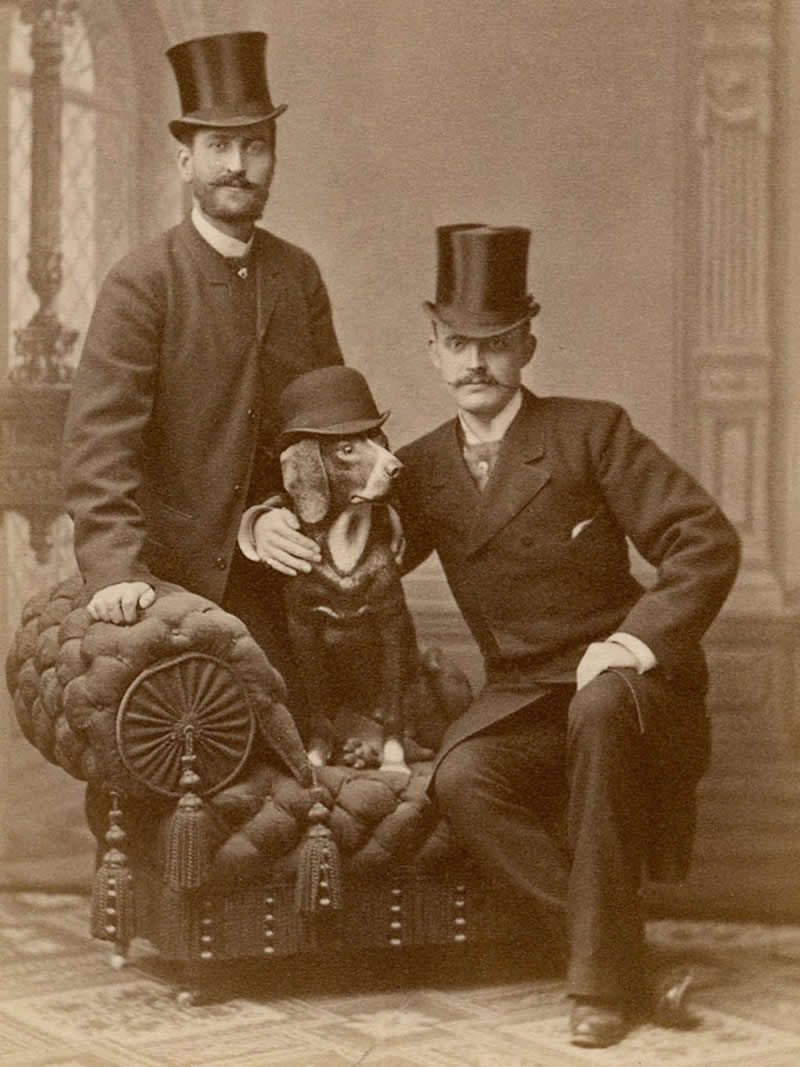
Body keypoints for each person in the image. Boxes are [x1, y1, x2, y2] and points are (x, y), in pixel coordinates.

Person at [255, 223, 741, 1049]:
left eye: (496, 343)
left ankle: (596, 988)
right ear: (434, 350)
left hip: (628, 685)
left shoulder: (594, 431)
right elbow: (347, 530)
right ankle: (629, 964)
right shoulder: (417, 467)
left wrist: (632, 643)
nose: (475, 362)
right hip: (522, 699)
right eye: (457, 344)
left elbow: (706, 540)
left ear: (527, 345)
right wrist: (265, 519)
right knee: (463, 778)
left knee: (594, 709)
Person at [62, 31, 342, 691]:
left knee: (306, 743)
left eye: (254, 146)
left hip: (281, 574)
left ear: (273, 159)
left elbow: (326, 427)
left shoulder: (297, 276)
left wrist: (280, 507)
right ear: (185, 161)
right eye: (218, 147)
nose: (237, 166)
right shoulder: (143, 282)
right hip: (170, 581)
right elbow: (98, 448)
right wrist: (118, 571)